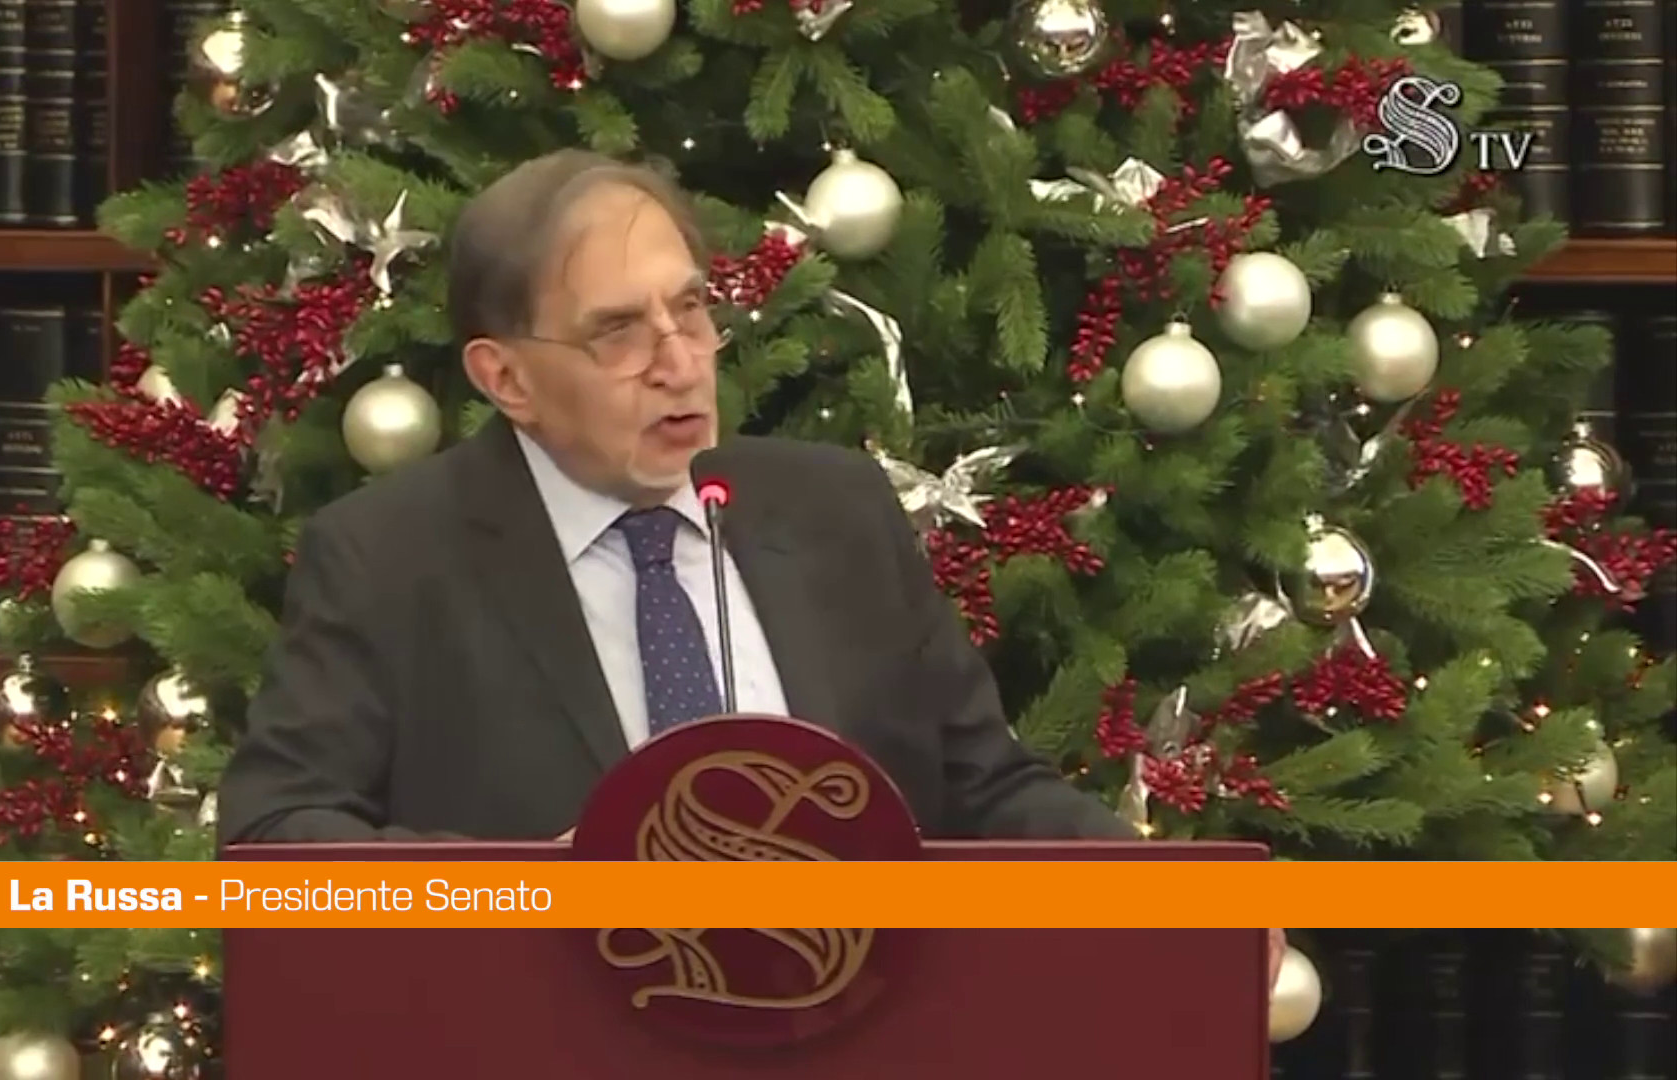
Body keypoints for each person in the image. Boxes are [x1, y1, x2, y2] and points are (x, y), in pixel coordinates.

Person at [215, 148, 1285, 988]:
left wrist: (1165, 891)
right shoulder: (392, 557)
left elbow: (983, 787)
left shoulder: (834, 510)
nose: (680, 363)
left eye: (691, 310)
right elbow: (274, 846)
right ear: (508, 380)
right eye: (618, 334)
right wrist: (531, 894)